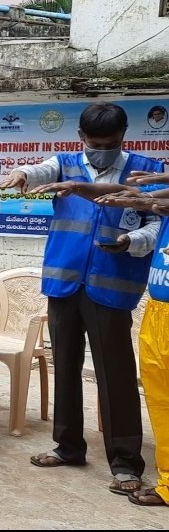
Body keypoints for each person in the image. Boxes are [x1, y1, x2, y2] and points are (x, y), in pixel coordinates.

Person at [0, 101, 159, 495]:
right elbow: (39, 171)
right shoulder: (65, 163)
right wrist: (21, 171)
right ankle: (68, 446)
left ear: (124, 137)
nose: (101, 150)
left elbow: (157, 223)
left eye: (111, 142)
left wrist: (132, 240)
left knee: (116, 376)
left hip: (113, 286)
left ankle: (124, 462)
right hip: (64, 283)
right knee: (65, 366)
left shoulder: (147, 171)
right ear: (81, 138)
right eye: (94, 142)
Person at [94, 172, 169, 507]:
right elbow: (134, 191)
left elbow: (150, 199)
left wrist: (141, 202)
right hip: (158, 310)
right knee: (160, 400)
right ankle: (168, 481)